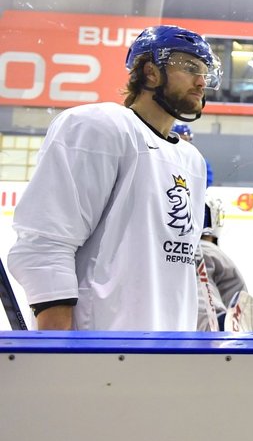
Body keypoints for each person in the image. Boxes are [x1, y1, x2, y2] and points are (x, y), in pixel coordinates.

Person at [8, 25, 220, 330]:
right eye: (188, 68)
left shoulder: (192, 160)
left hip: (169, 348)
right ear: (151, 72)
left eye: (204, 71)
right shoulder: (99, 127)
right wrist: (55, 345)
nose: (201, 81)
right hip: (100, 347)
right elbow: (46, 240)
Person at [196, 194, 248, 330]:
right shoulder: (205, 252)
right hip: (218, 334)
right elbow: (201, 292)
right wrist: (216, 322)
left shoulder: (203, 252)